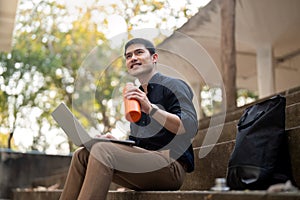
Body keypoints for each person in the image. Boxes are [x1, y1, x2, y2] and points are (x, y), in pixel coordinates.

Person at [59, 38, 198, 200]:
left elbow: (189, 128)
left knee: (101, 150)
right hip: (144, 164)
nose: (133, 58)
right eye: (128, 56)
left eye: (139, 52)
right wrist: (115, 142)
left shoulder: (173, 85)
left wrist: (150, 109)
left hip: (170, 167)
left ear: (154, 58)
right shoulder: (135, 98)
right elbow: (137, 145)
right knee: (82, 155)